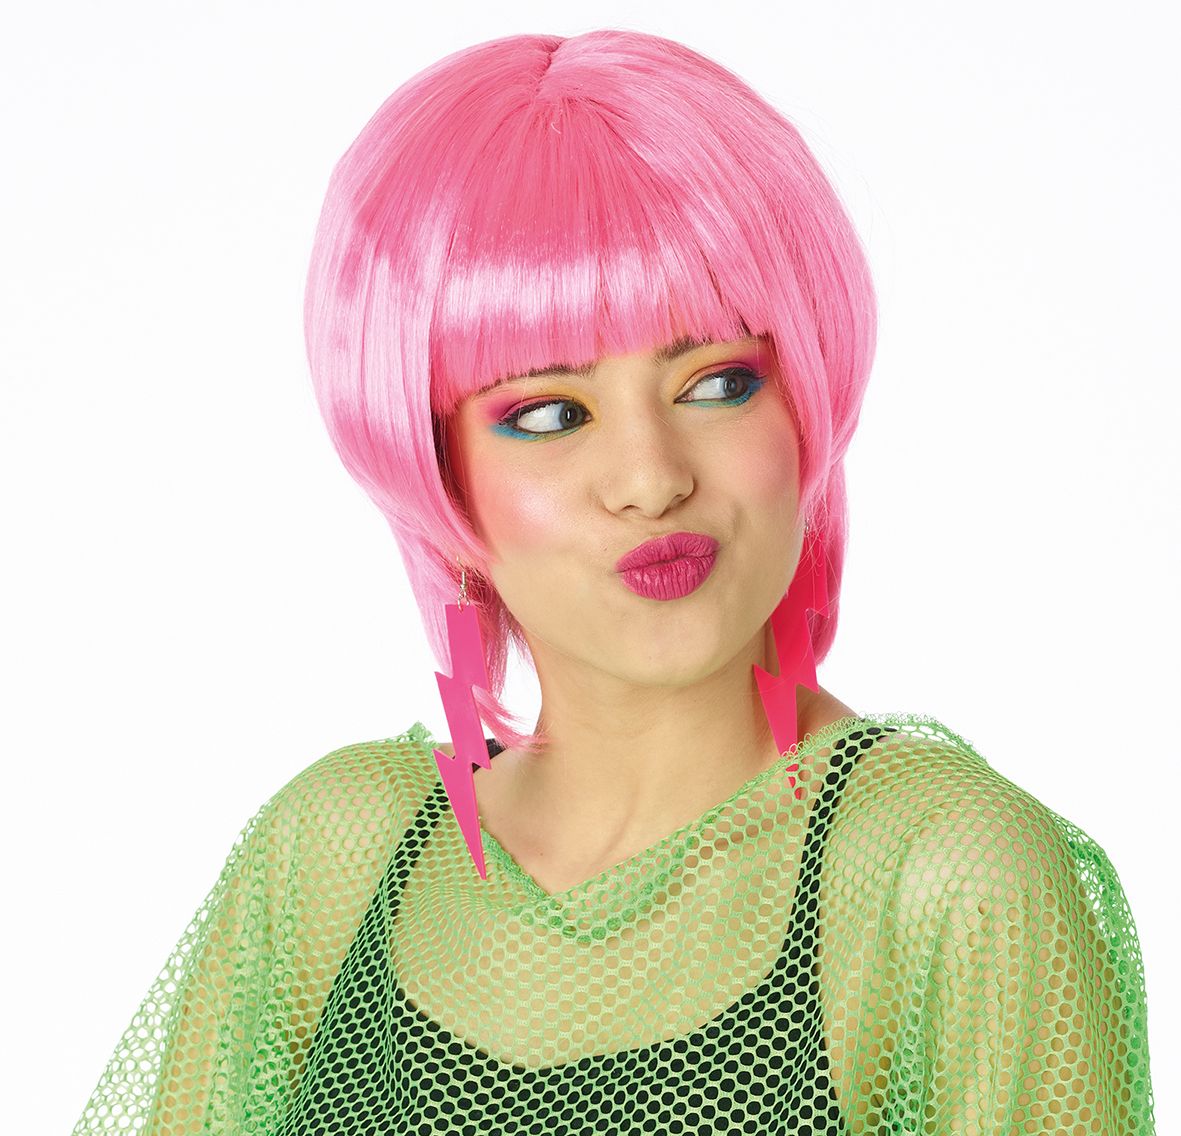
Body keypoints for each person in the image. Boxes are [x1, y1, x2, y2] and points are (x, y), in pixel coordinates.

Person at [71, 29, 1155, 1136]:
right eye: (549, 413)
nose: (650, 478)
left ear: (806, 402)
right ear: (433, 468)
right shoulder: (335, 859)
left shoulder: (945, 878)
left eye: (718, 383)